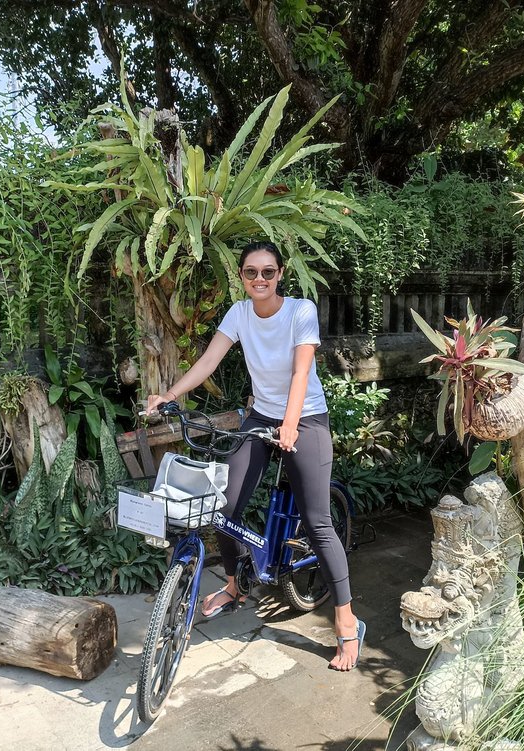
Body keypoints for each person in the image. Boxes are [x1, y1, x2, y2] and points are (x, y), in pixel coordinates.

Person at [146, 241, 365, 672]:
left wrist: (290, 423)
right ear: (242, 277)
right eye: (251, 273)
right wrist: (168, 396)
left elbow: (302, 371)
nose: (259, 280)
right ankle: (233, 584)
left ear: (280, 273)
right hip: (261, 416)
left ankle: (346, 621)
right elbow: (210, 359)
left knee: (319, 524)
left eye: (267, 272)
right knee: (222, 506)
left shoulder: (300, 311)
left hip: (307, 419)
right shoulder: (240, 314)